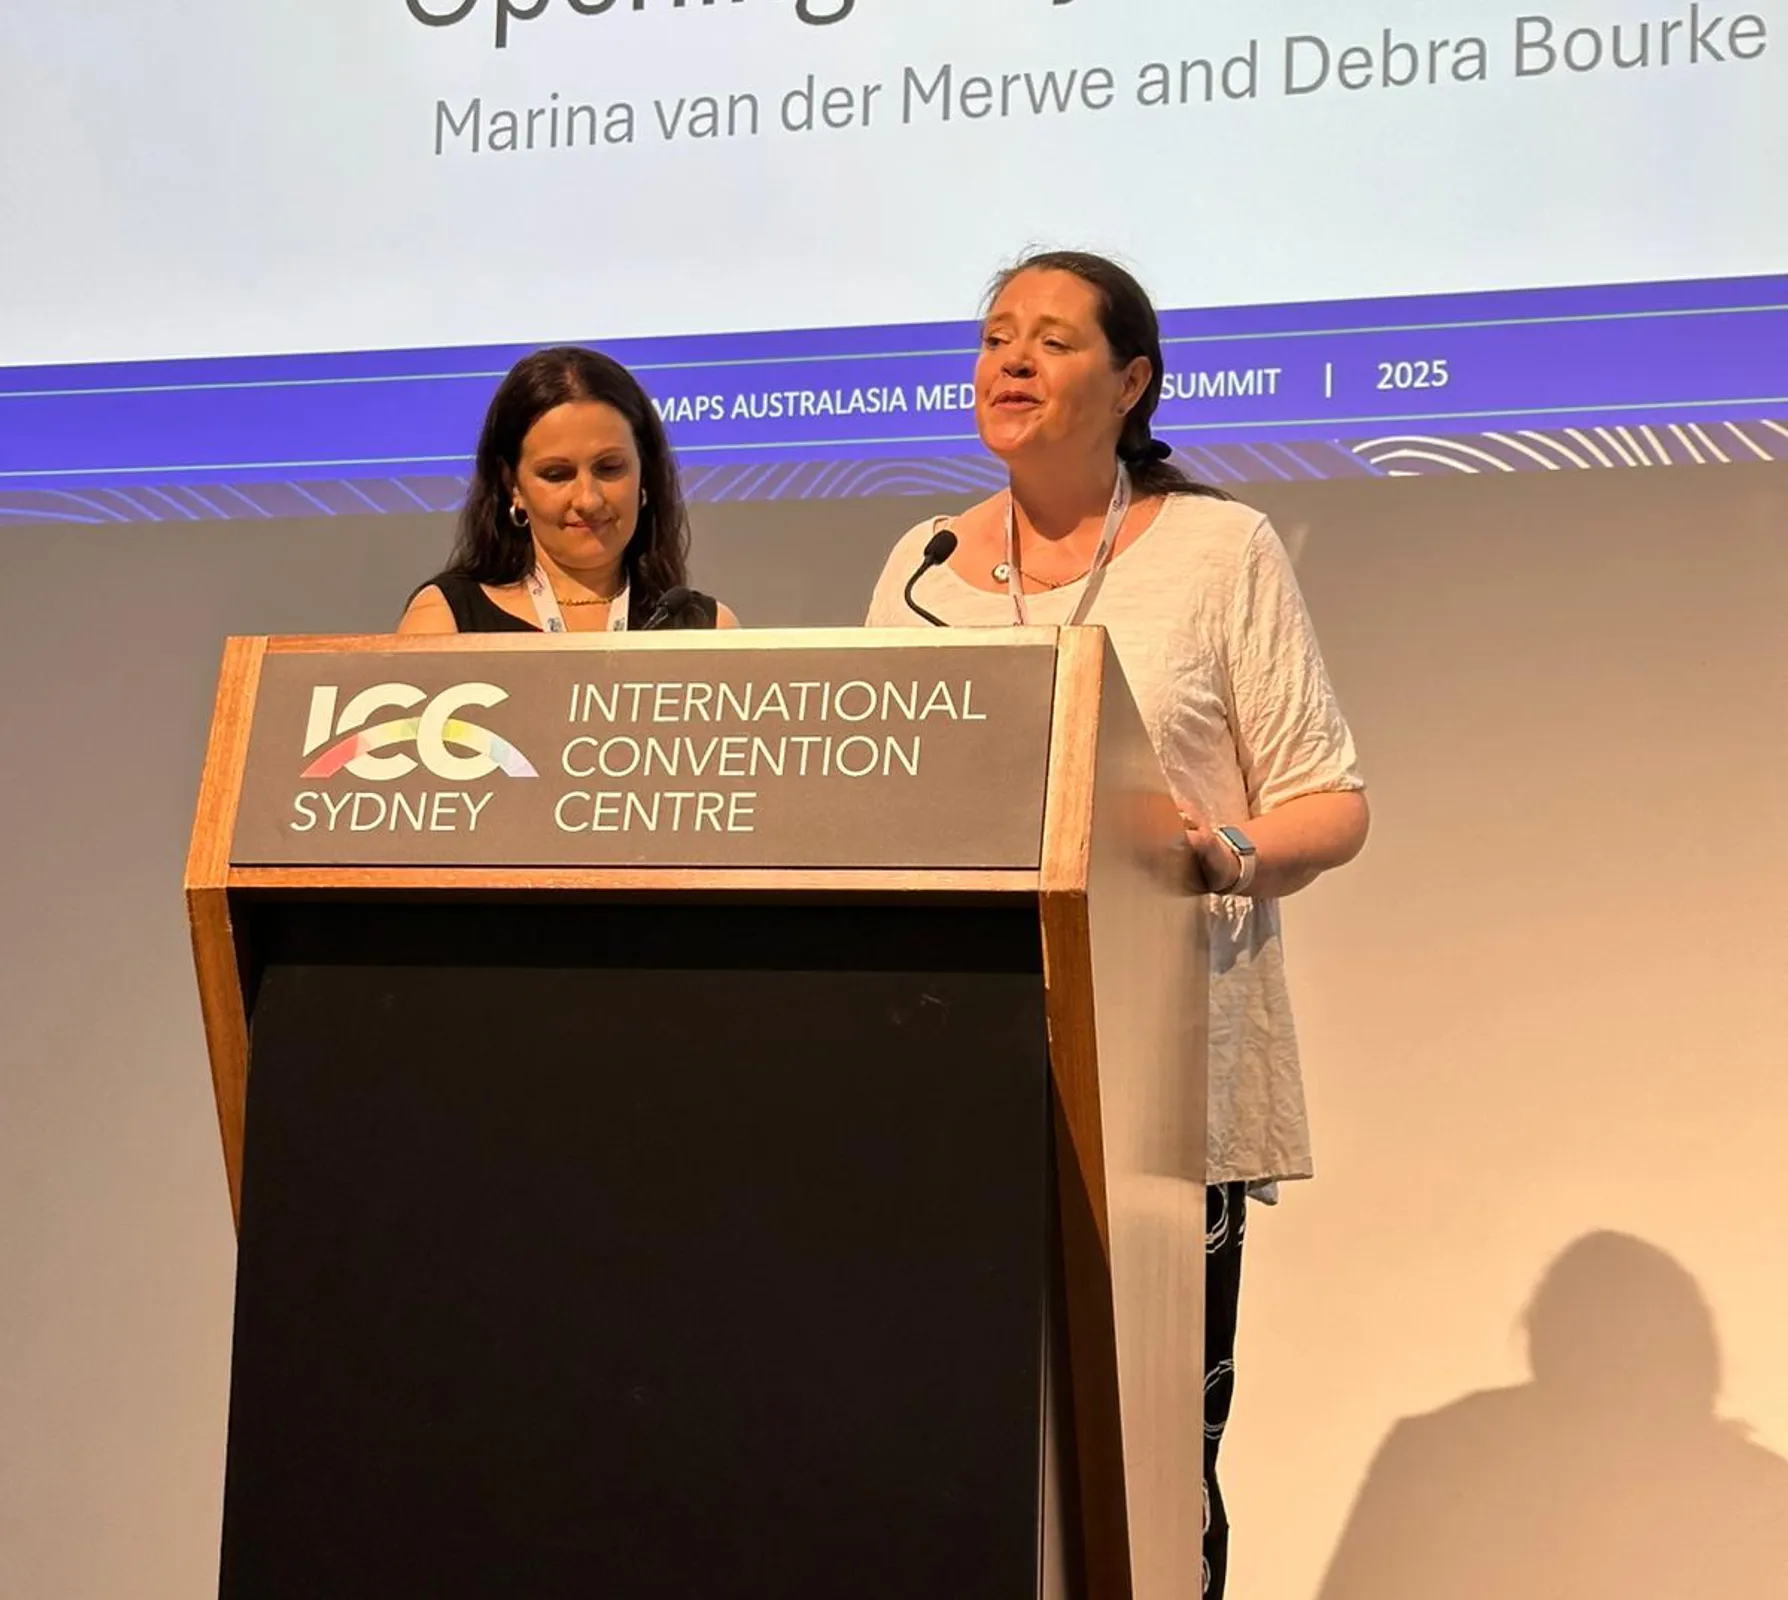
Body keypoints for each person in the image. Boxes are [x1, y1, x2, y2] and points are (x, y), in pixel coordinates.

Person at [865, 250, 1369, 1598]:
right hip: (955, 1061)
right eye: (995, 336)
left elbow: (1331, 802)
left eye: (1051, 339)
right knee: (956, 1443)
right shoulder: (923, 567)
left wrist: (1223, 851)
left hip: (1165, 1069)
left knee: (1152, 1461)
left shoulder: (1219, 550)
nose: (1011, 360)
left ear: (1132, 380)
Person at [399, 346, 736, 634]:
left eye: (609, 468)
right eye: (557, 474)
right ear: (512, 485)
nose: (588, 499)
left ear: (644, 473)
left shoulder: (707, 629)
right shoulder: (444, 620)